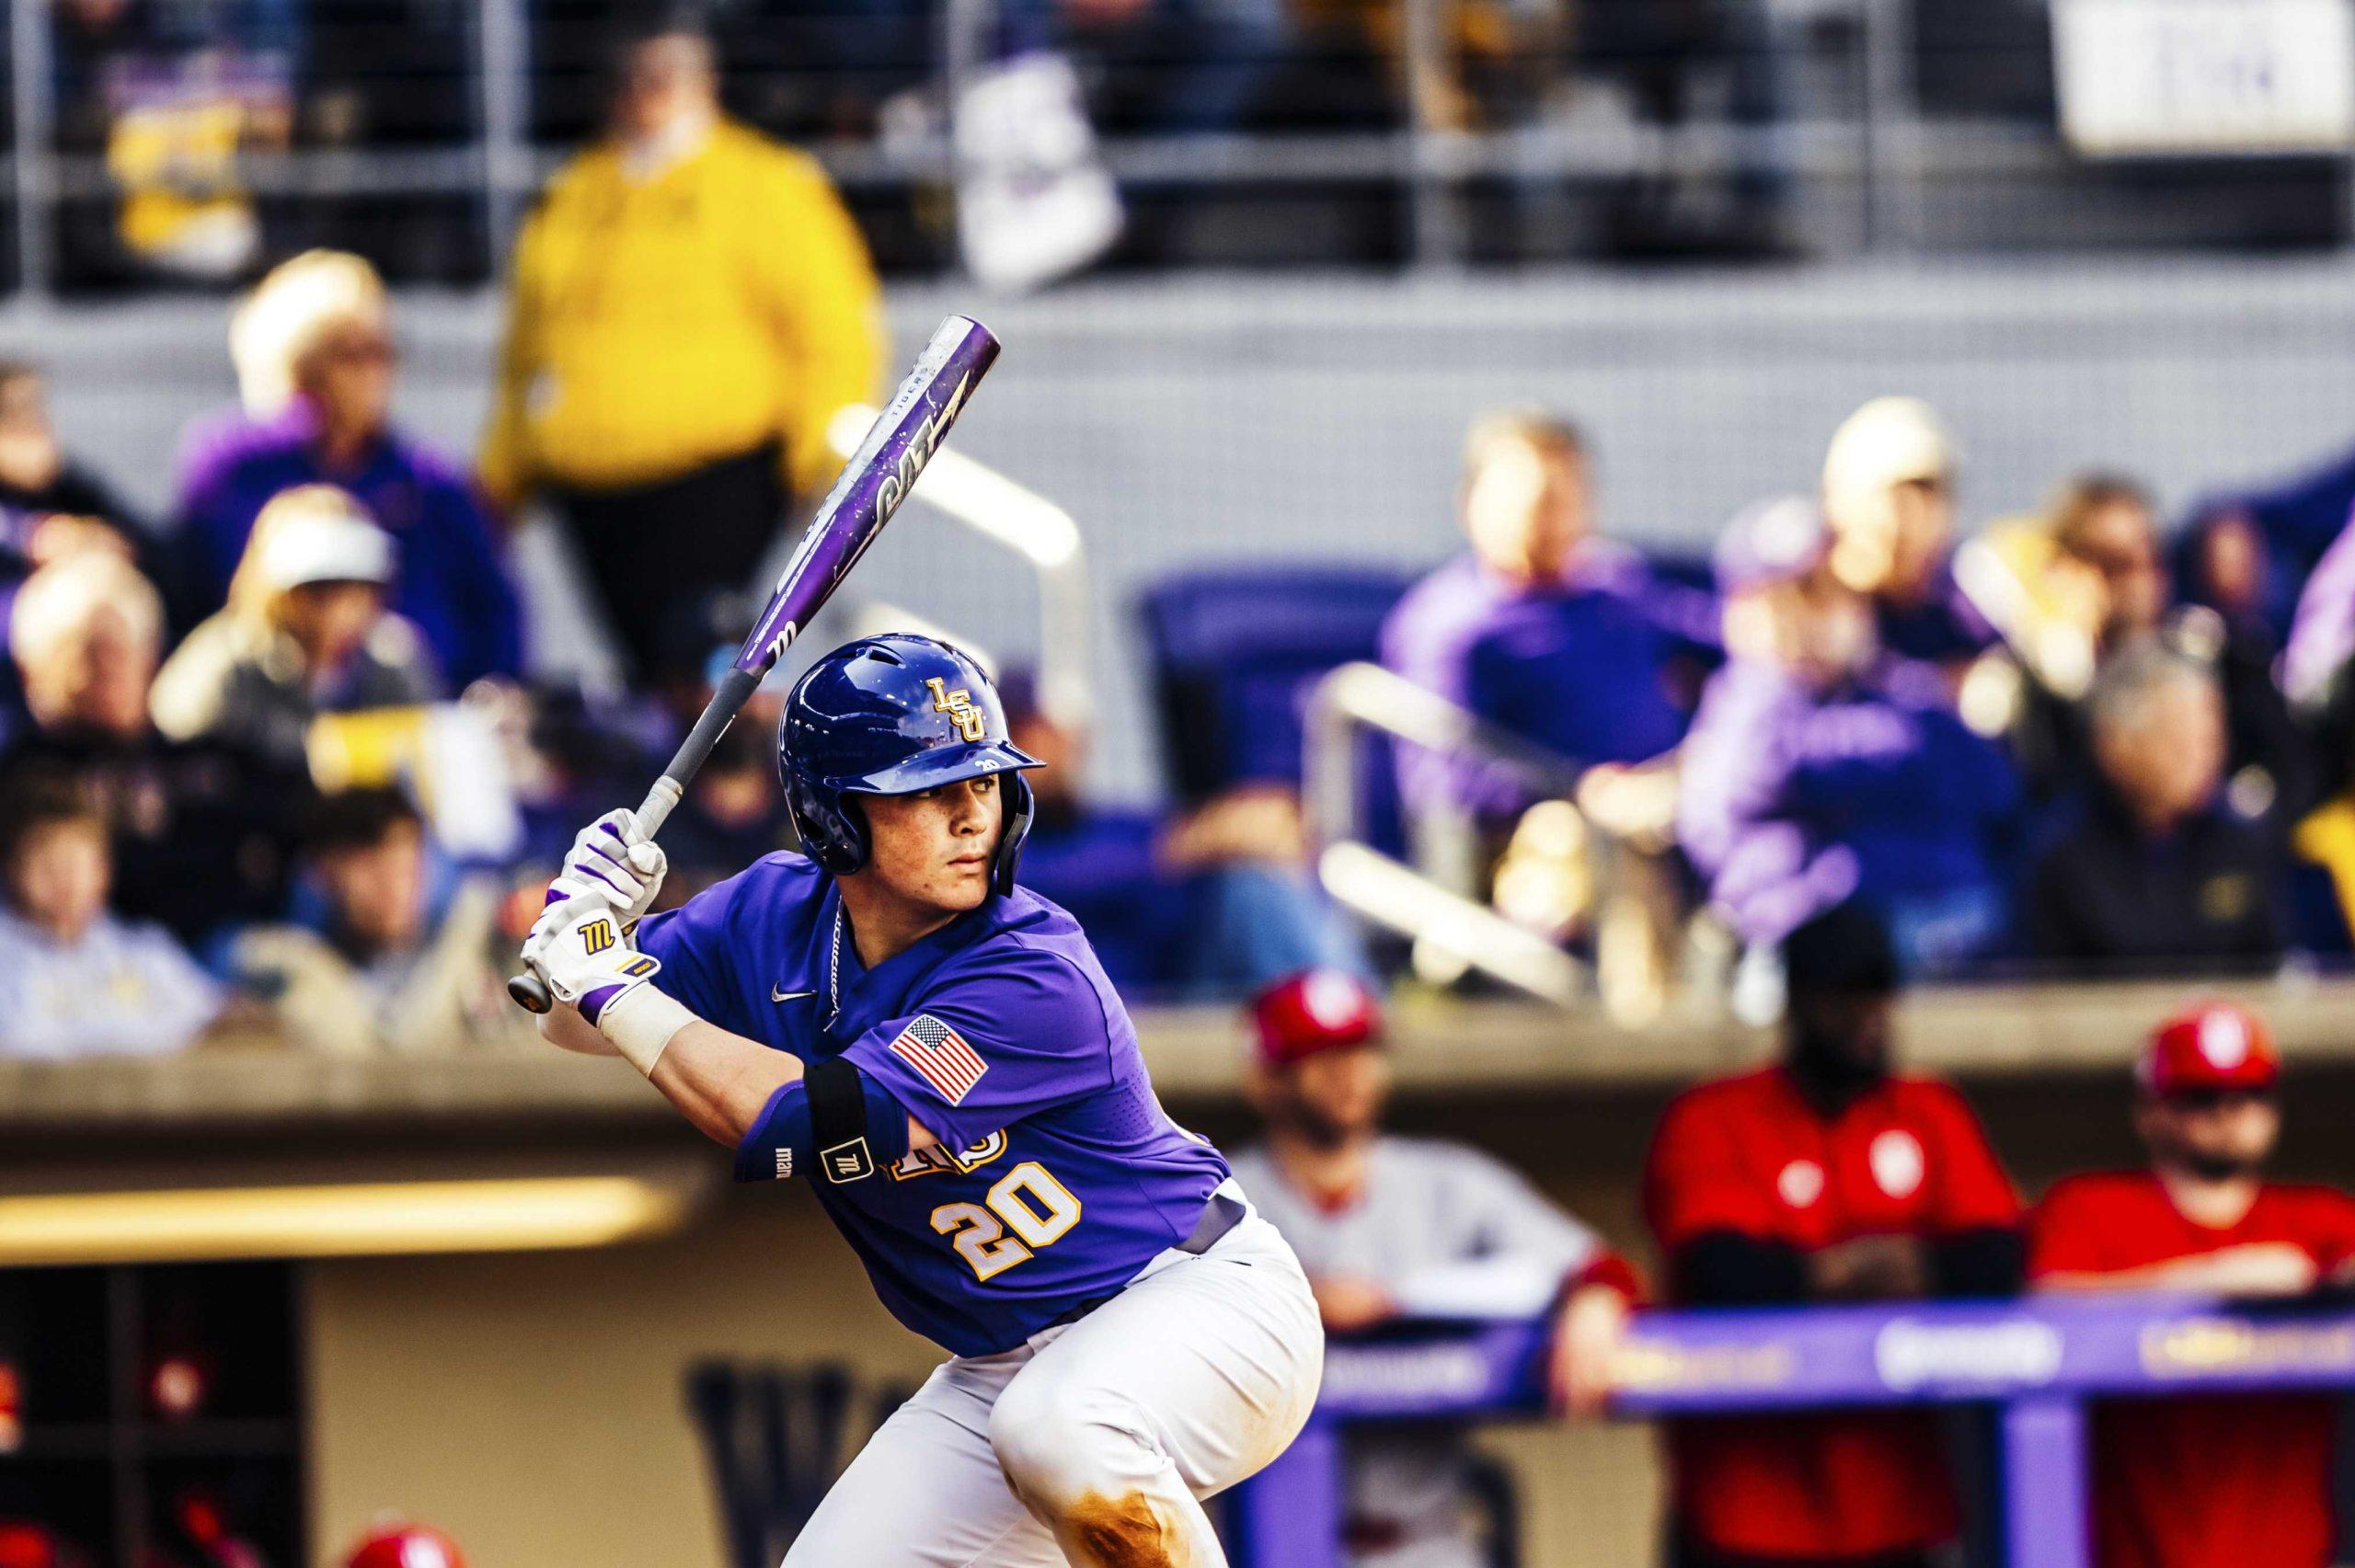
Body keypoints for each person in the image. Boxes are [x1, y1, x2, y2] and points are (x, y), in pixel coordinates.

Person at [518, 633, 1324, 1566]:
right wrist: (580, 926)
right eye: (927, 789)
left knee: (1060, 1427)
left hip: (1197, 1302)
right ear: (835, 813)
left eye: (981, 782)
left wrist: (610, 980)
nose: (970, 815)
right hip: (1004, 1366)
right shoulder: (770, 915)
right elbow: (566, 1023)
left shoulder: (1031, 972)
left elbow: (795, 1117)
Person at [479, 14, 884, 682]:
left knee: (697, 662)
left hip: (713, 477)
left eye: (663, 76)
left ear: (705, 82)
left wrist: (821, 459)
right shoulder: (575, 195)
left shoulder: (764, 185)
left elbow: (830, 330)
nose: (645, 94)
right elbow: (528, 352)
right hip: (590, 492)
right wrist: (499, 479)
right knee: (645, 674)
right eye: (630, 78)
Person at [1641, 900, 2023, 1568]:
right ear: (1796, 1003)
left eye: (1877, 995)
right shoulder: (1714, 1116)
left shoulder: (1928, 1110)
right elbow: (1721, 1272)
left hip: (1902, 1504)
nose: (1865, 1018)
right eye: (1842, 997)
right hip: (1746, 1510)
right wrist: (1868, 1270)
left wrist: (1818, 1273)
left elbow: (1997, 1255)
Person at [1227, 970, 1640, 1567]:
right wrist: (1298, 1295)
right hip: (1261, 1535)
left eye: (1361, 1051)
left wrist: (1594, 1302)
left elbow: (1599, 1264)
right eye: (1318, 1057)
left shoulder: (1447, 1178)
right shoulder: (1217, 1191)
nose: (1349, 1073)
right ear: (1265, 1079)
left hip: (1427, 1538)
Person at [2029, 1001, 2355, 1568]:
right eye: (2202, 1097)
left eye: (2253, 1093)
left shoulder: (2321, 1219)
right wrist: (2218, 1286)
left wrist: (2323, 1288)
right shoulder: (2089, 1209)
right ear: (2150, 1111)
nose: (2231, 1113)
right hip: (2134, 1554)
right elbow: (2045, 1310)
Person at [1677, 496, 2019, 973]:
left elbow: (1990, 783)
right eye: (1800, 590)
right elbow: (1747, 784)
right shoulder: (1747, 697)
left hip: (1951, 929)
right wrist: (1896, 763)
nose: (1819, 610)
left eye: (1834, 587)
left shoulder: (1894, 684)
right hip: (1809, 943)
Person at [171, 250, 522, 688]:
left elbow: (495, 613)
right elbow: (199, 596)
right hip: (270, 709)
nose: (376, 372)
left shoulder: (432, 483)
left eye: (384, 352)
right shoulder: (234, 467)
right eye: (353, 354)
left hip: (421, 709)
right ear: (302, 362)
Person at [1382, 409, 1711, 844]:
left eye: (1567, 499)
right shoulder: (1448, 625)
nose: (1552, 519)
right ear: (1471, 504)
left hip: (1670, 812)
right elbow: (1448, 781)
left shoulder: (1619, 585)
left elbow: (1730, 646)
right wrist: (1583, 792)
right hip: (1540, 852)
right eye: (1534, 502)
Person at [0, 550, 310, 947]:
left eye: (124, 646)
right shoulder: (26, 777)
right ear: (33, 668)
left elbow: (292, 820)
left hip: (246, 942)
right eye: (85, 650)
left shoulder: (204, 756)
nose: (109, 668)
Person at [1007, 671, 1365, 999]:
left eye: (1053, 732)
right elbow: (1065, 879)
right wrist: (1189, 845)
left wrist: (1245, 830)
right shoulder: (995, 844)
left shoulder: (1115, 824)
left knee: (1251, 887)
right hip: (1099, 1018)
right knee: (1249, 887)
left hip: (1189, 988)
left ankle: (1357, 1011)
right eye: (1023, 732)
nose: (1042, 747)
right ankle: (1355, 1012)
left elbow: (1226, 834)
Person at [2022, 644, 2285, 974]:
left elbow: (2275, 972)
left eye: (2209, 737)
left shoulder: (2240, 843)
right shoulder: (2062, 856)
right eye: (2178, 739)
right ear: (2115, 746)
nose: (2204, 756)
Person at [151, 485, 437, 773]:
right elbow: (176, 753)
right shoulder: (221, 667)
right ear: (274, 590)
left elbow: (434, 758)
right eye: (320, 590)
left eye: (361, 588)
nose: (342, 611)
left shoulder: (393, 659)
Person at [230, 787, 501, 1056]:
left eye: (405, 870)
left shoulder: (478, 954)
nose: (393, 889)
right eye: (371, 868)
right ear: (323, 872)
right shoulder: (272, 971)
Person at [0, 769, 220, 1059]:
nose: (64, 878)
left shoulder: (146, 951)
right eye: (45, 859)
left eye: (76, 861)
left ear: (103, 870)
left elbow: (214, 1022)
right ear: (12, 869)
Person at [1820, 397, 1995, 669]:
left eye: (1928, 498)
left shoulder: (1963, 620)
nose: (1912, 524)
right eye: (1898, 499)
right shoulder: (1786, 612)